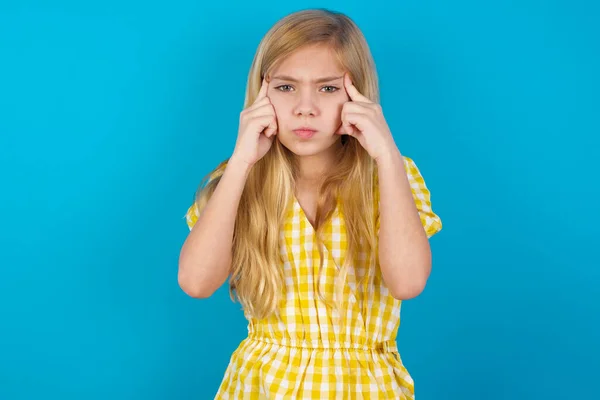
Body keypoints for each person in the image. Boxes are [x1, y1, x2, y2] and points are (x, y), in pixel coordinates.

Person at [178, 8, 442, 399]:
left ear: (358, 95)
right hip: (263, 386)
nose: (306, 107)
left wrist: (385, 153)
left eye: (328, 88)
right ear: (261, 94)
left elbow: (408, 282)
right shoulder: (240, 178)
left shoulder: (390, 174)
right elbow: (196, 283)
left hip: (363, 387)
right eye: (286, 87)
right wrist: (241, 162)